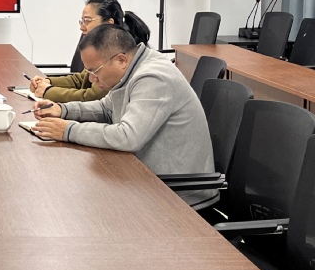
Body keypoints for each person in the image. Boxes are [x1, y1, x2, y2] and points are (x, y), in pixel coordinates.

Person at [32, 24, 214, 193]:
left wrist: (68, 130)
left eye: (94, 71)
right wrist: (63, 110)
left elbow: (128, 137)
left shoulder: (153, 77)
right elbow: (106, 108)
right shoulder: (132, 68)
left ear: (121, 60)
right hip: (147, 177)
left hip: (178, 192)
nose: (91, 79)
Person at [30, 0, 151, 103]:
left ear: (109, 23)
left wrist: (48, 91)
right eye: (82, 21)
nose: (82, 27)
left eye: (87, 21)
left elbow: (92, 97)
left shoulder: (118, 53)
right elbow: (81, 79)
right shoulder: (99, 47)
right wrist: (47, 81)